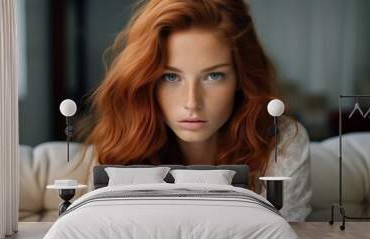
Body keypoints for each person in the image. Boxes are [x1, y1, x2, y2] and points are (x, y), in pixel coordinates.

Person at [76, 0, 312, 221]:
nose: (192, 102)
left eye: (214, 76)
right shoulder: (121, 141)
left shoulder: (282, 142)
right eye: (170, 77)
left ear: (241, 78)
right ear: (145, 82)